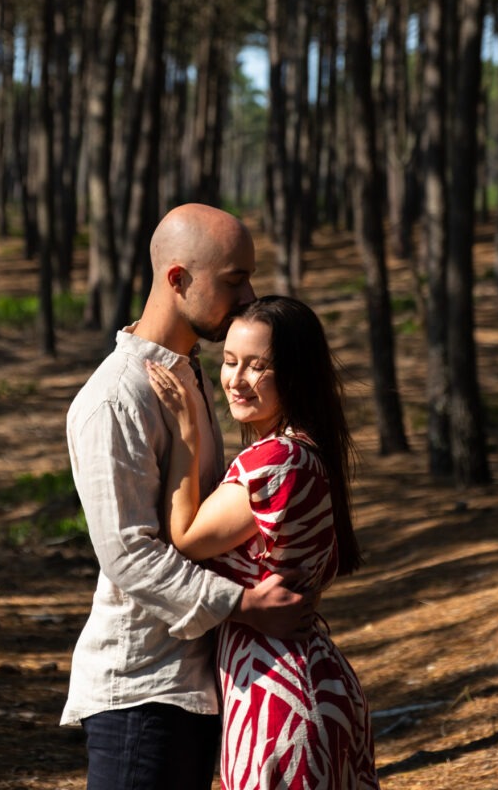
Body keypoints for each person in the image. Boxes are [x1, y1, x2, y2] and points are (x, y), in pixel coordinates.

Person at [60, 205, 314, 790]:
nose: (249, 296)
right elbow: (130, 557)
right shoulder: (113, 400)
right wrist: (244, 605)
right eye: (233, 280)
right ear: (178, 279)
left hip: (196, 685)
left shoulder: (191, 377)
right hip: (140, 691)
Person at [147, 295, 380, 790]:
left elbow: (185, 537)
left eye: (259, 367)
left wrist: (188, 432)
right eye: (230, 362)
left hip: (281, 697)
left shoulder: (276, 461)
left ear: (294, 373)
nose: (237, 379)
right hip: (298, 683)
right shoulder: (302, 450)